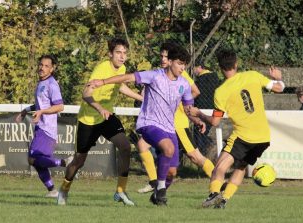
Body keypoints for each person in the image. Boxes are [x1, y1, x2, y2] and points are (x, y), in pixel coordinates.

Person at [90, 43, 205, 205]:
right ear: (170, 61)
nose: (182, 67)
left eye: (184, 64)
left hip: (168, 128)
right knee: (169, 149)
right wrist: (102, 82)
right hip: (148, 123)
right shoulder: (154, 76)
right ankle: (161, 189)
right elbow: (127, 77)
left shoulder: (184, 84)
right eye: (179, 63)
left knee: (172, 172)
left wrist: (197, 120)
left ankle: (157, 195)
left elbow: (188, 109)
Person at [188, 49, 285, 209]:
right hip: (263, 137)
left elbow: (215, 121)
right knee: (240, 167)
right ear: (236, 63)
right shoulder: (252, 75)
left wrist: (198, 113)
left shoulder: (220, 92)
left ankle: (213, 194)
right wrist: (278, 78)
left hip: (243, 136)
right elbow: (279, 88)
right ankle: (224, 200)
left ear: (220, 67)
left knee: (219, 167)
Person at [57, 38, 143, 206]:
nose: (122, 56)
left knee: (125, 146)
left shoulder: (122, 68)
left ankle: (120, 191)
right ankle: (64, 189)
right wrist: (99, 108)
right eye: (118, 53)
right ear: (110, 54)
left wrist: (142, 98)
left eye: (125, 53)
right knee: (79, 161)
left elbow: (121, 86)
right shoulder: (101, 70)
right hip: (89, 119)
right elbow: (86, 94)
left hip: (106, 118)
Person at [136, 43, 216, 195]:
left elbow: (195, 91)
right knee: (142, 145)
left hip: (177, 124)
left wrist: (185, 110)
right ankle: (155, 182)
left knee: (195, 157)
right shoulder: (161, 74)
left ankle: (219, 182)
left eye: (166, 56)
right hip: (161, 124)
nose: (163, 59)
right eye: (161, 56)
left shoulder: (180, 74)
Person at [16, 55, 66, 198]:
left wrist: (42, 112)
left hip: (47, 129)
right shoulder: (41, 83)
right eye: (41, 65)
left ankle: (63, 162)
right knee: (38, 163)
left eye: (46, 66)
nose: (42, 68)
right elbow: (40, 105)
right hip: (42, 127)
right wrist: (26, 110)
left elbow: (60, 106)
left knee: (32, 159)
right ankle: (52, 191)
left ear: (52, 69)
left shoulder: (52, 84)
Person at [192, 61, 222, 157]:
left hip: (201, 110)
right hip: (213, 110)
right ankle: (205, 151)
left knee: (199, 133)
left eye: (195, 68)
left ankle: (201, 154)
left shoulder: (200, 80)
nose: (194, 70)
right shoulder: (215, 78)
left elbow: (197, 96)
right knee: (204, 132)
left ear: (200, 67)